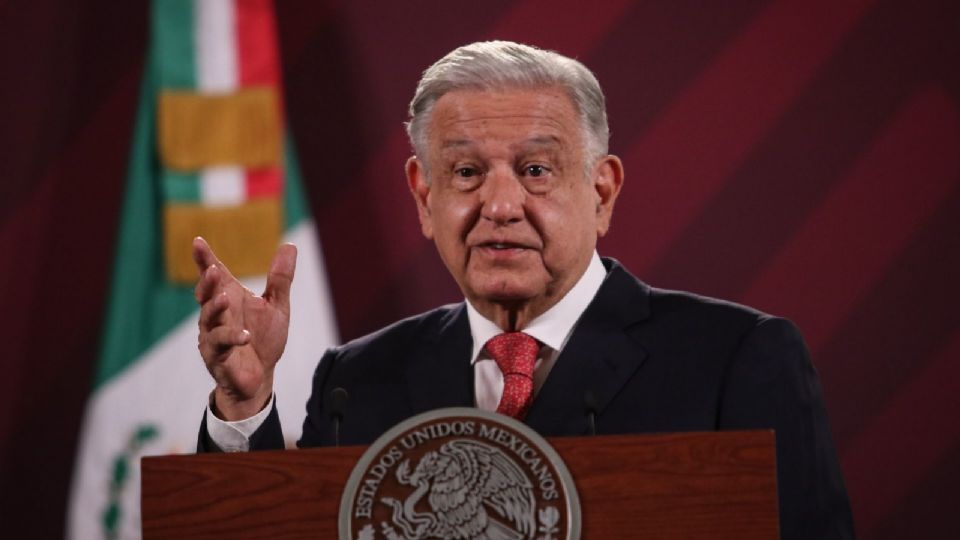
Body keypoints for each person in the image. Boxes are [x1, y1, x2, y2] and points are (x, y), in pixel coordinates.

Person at [193, 41, 853, 538]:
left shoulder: (736, 357)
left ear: (601, 192)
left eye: (536, 169)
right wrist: (243, 404)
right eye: (467, 172)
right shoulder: (359, 379)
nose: (500, 204)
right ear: (425, 197)